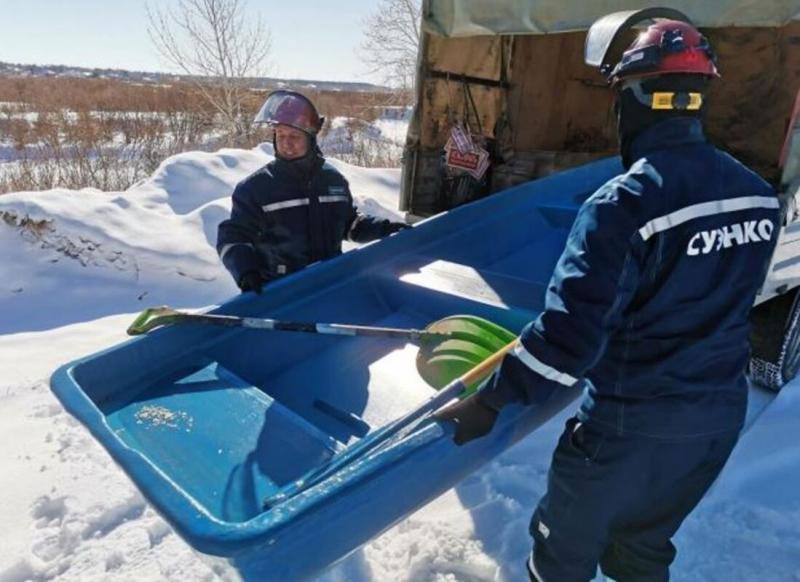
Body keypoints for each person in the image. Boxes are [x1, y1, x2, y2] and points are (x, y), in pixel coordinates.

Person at [435, 9, 781, 582]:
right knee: (640, 553)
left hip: (630, 431)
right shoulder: (756, 197)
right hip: (714, 426)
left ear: (635, 100)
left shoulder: (623, 205)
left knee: (559, 560)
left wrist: (490, 401)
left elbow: (567, 342)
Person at [217, 90, 408, 293]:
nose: (286, 143)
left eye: (294, 136)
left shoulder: (333, 181)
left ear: (311, 138)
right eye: (280, 135)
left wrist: (384, 229)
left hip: (330, 287)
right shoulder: (256, 188)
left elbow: (350, 225)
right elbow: (233, 237)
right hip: (280, 293)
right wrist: (246, 271)